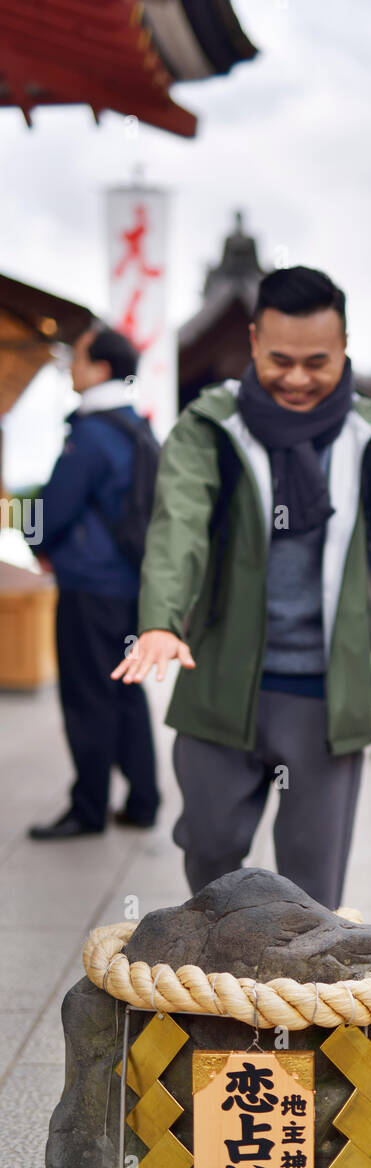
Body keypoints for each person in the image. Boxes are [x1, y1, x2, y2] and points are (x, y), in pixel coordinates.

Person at [111, 266, 371, 908]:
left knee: (312, 893)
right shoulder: (210, 426)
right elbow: (178, 524)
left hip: (327, 695)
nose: (297, 378)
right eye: (280, 360)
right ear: (252, 342)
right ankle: (221, 1002)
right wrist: (161, 618)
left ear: (345, 348)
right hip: (222, 683)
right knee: (209, 856)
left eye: (317, 362)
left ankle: (299, 1010)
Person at [28, 327, 161, 840]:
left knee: (87, 696)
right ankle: (144, 801)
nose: (71, 367)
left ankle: (87, 809)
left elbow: (53, 505)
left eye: (78, 359)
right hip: (128, 583)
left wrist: (36, 542)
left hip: (89, 584)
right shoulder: (136, 427)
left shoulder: (90, 432)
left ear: (101, 368)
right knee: (126, 691)